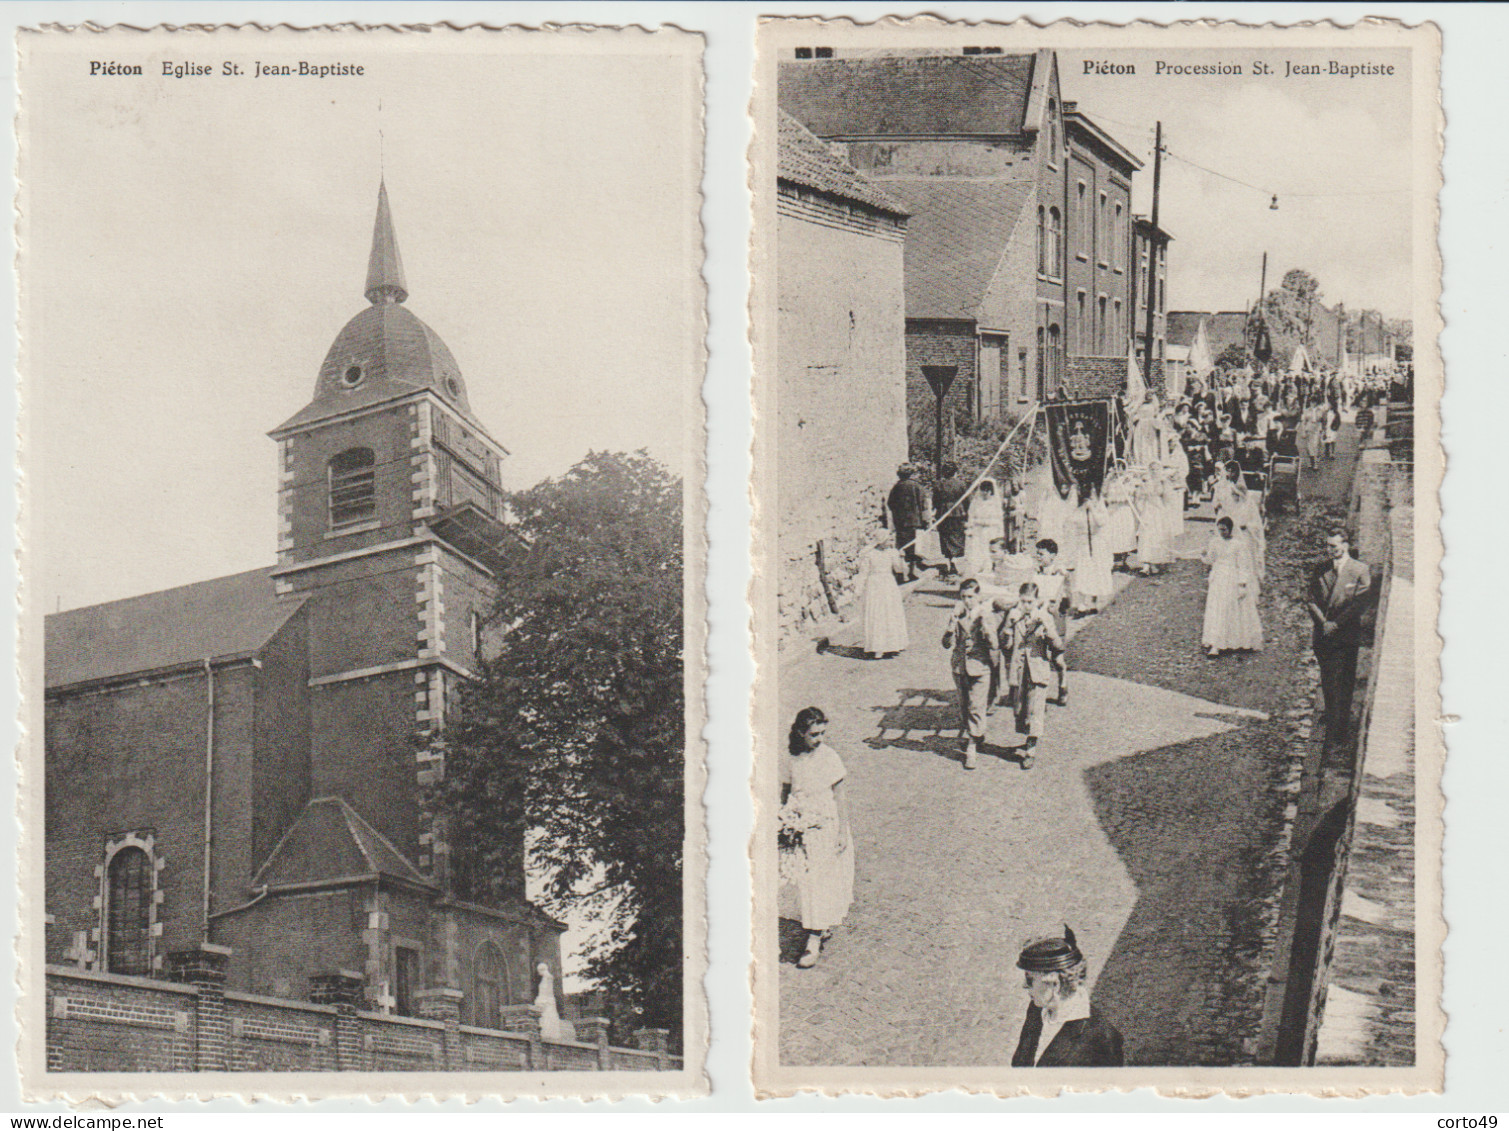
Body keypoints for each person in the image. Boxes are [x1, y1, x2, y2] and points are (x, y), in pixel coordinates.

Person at [780, 707, 854, 969]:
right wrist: (784, 821)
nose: (819, 739)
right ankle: (817, 926)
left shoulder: (830, 758)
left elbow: (840, 796)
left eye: (823, 733)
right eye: (814, 734)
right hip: (800, 828)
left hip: (826, 826)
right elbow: (786, 791)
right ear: (801, 732)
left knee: (820, 882)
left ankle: (813, 940)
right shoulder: (792, 758)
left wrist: (842, 832)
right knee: (805, 883)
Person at [1011, 927, 1125, 1067]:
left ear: (1054, 983)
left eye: (1029, 979)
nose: (1024, 985)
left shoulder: (1103, 1039)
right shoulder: (1037, 1009)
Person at [1307, 530, 1372, 746]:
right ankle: (1331, 716)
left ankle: (1340, 725)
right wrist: (1323, 623)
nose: (1330, 550)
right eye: (1328, 546)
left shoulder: (1359, 570)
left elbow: (1360, 604)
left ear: (1345, 545)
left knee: (1344, 681)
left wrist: (1337, 623)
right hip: (1324, 634)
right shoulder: (1321, 569)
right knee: (1327, 677)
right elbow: (1310, 600)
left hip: (1345, 636)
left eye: (1334, 546)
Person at [1001, 582, 1063, 769]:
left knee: (1035, 709)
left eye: (1030, 601)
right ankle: (1029, 737)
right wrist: (1007, 630)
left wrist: (1048, 631)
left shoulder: (1044, 617)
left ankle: (1031, 750)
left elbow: (1058, 646)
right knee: (1021, 711)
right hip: (1020, 671)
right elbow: (1005, 646)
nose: (1026, 605)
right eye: (1023, 601)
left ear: (1036, 601)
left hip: (1038, 670)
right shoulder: (1013, 616)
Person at [943, 578, 999, 770]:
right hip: (959, 668)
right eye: (964, 597)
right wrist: (950, 627)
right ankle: (976, 734)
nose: (967, 600)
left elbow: (994, 645)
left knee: (976, 707)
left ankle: (972, 746)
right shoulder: (957, 615)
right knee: (964, 708)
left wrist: (986, 628)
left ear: (978, 596)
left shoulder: (985, 616)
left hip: (980, 668)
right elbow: (945, 644)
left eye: (971, 597)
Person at [1200, 517, 1264, 656]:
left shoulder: (1238, 545)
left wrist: (1242, 584)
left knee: (1230, 608)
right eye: (1219, 529)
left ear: (1230, 529)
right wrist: (1204, 555)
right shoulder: (1215, 542)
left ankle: (1235, 641)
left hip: (1231, 579)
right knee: (1217, 609)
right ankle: (1216, 642)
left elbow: (1243, 566)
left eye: (1224, 529)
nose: (1221, 532)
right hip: (1218, 580)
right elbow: (1210, 560)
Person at [1032, 538, 1071, 706]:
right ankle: (1037, 692)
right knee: (1038, 656)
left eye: (1041, 554)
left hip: (1055, 619)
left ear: (1053, 555)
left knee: (1058, 659)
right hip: (1038, 618)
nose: (1038, 557)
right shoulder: (1035, 572)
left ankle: (1063, 685)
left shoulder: (1059, 573)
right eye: (1037, 553)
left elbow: (1067, 599)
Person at [857, 533, 908, 658]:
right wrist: (858, 590)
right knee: (877, 613)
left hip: (888, 585)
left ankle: (893, 645)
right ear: (881, 540)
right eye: (888, 539)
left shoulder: (893, 553)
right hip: (874, 586)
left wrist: (901, 558)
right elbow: (863, 573)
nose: (891, 541)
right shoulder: (869, 554)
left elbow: (899, 570)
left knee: (890, 612)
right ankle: (877, 648)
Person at [886, 464, 930, 581]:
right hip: (914, 522)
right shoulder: (917, 487)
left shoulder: (896, 487)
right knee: (912, 548)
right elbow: (924, 505)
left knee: (901, 547)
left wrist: (897, 514)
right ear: (911, 474)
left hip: (900, 522)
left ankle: (901, 573)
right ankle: (910, 572)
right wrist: (926, 521)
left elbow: (890, 504)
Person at [932, 462, 969, 577]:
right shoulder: (961, 484)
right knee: (957, 536)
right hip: (958, 513)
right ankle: (955, 561)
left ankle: (950, 559)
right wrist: (966, 512)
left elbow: (936, 501)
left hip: (943, 513)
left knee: (946, 537)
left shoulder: (938, 484)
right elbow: (966, 500)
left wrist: (937, 510)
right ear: (955, 472)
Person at [964, 478, 1003, 579]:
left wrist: (986, 523)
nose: (985, 493)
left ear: (991, 491)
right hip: (978, 531)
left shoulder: (994, 503)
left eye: (987, 491)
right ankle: (976, 569)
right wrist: (971, 525)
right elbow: (971, 516)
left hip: (990, 531)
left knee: (988, 549)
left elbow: (998, 519)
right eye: (983, 490)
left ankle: (988, 568)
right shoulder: (976, 502)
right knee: (976, 549)